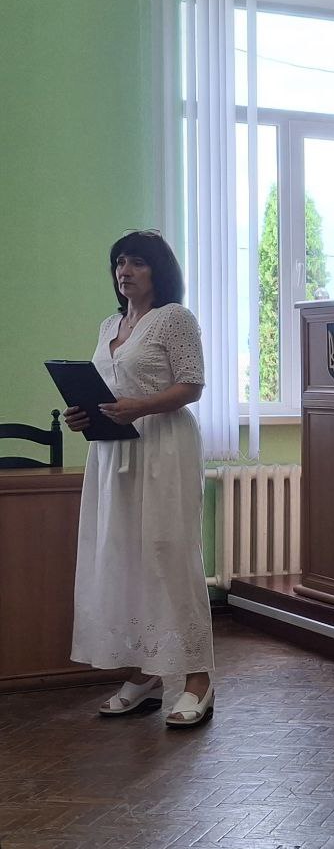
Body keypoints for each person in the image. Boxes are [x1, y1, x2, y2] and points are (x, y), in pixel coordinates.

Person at [63, 230, 216, 727]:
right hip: (112, 451)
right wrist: (84, 414)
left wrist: (141, 407)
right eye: (119, 262)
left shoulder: (175, 318)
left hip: (163, 447)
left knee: (168, 553)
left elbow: (192, 385)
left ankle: (198, 679)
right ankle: (145, 673)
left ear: (158, 270)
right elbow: (107, 388)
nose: (124, 271)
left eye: (136, 263)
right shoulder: (110, 324)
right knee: (123, 555)